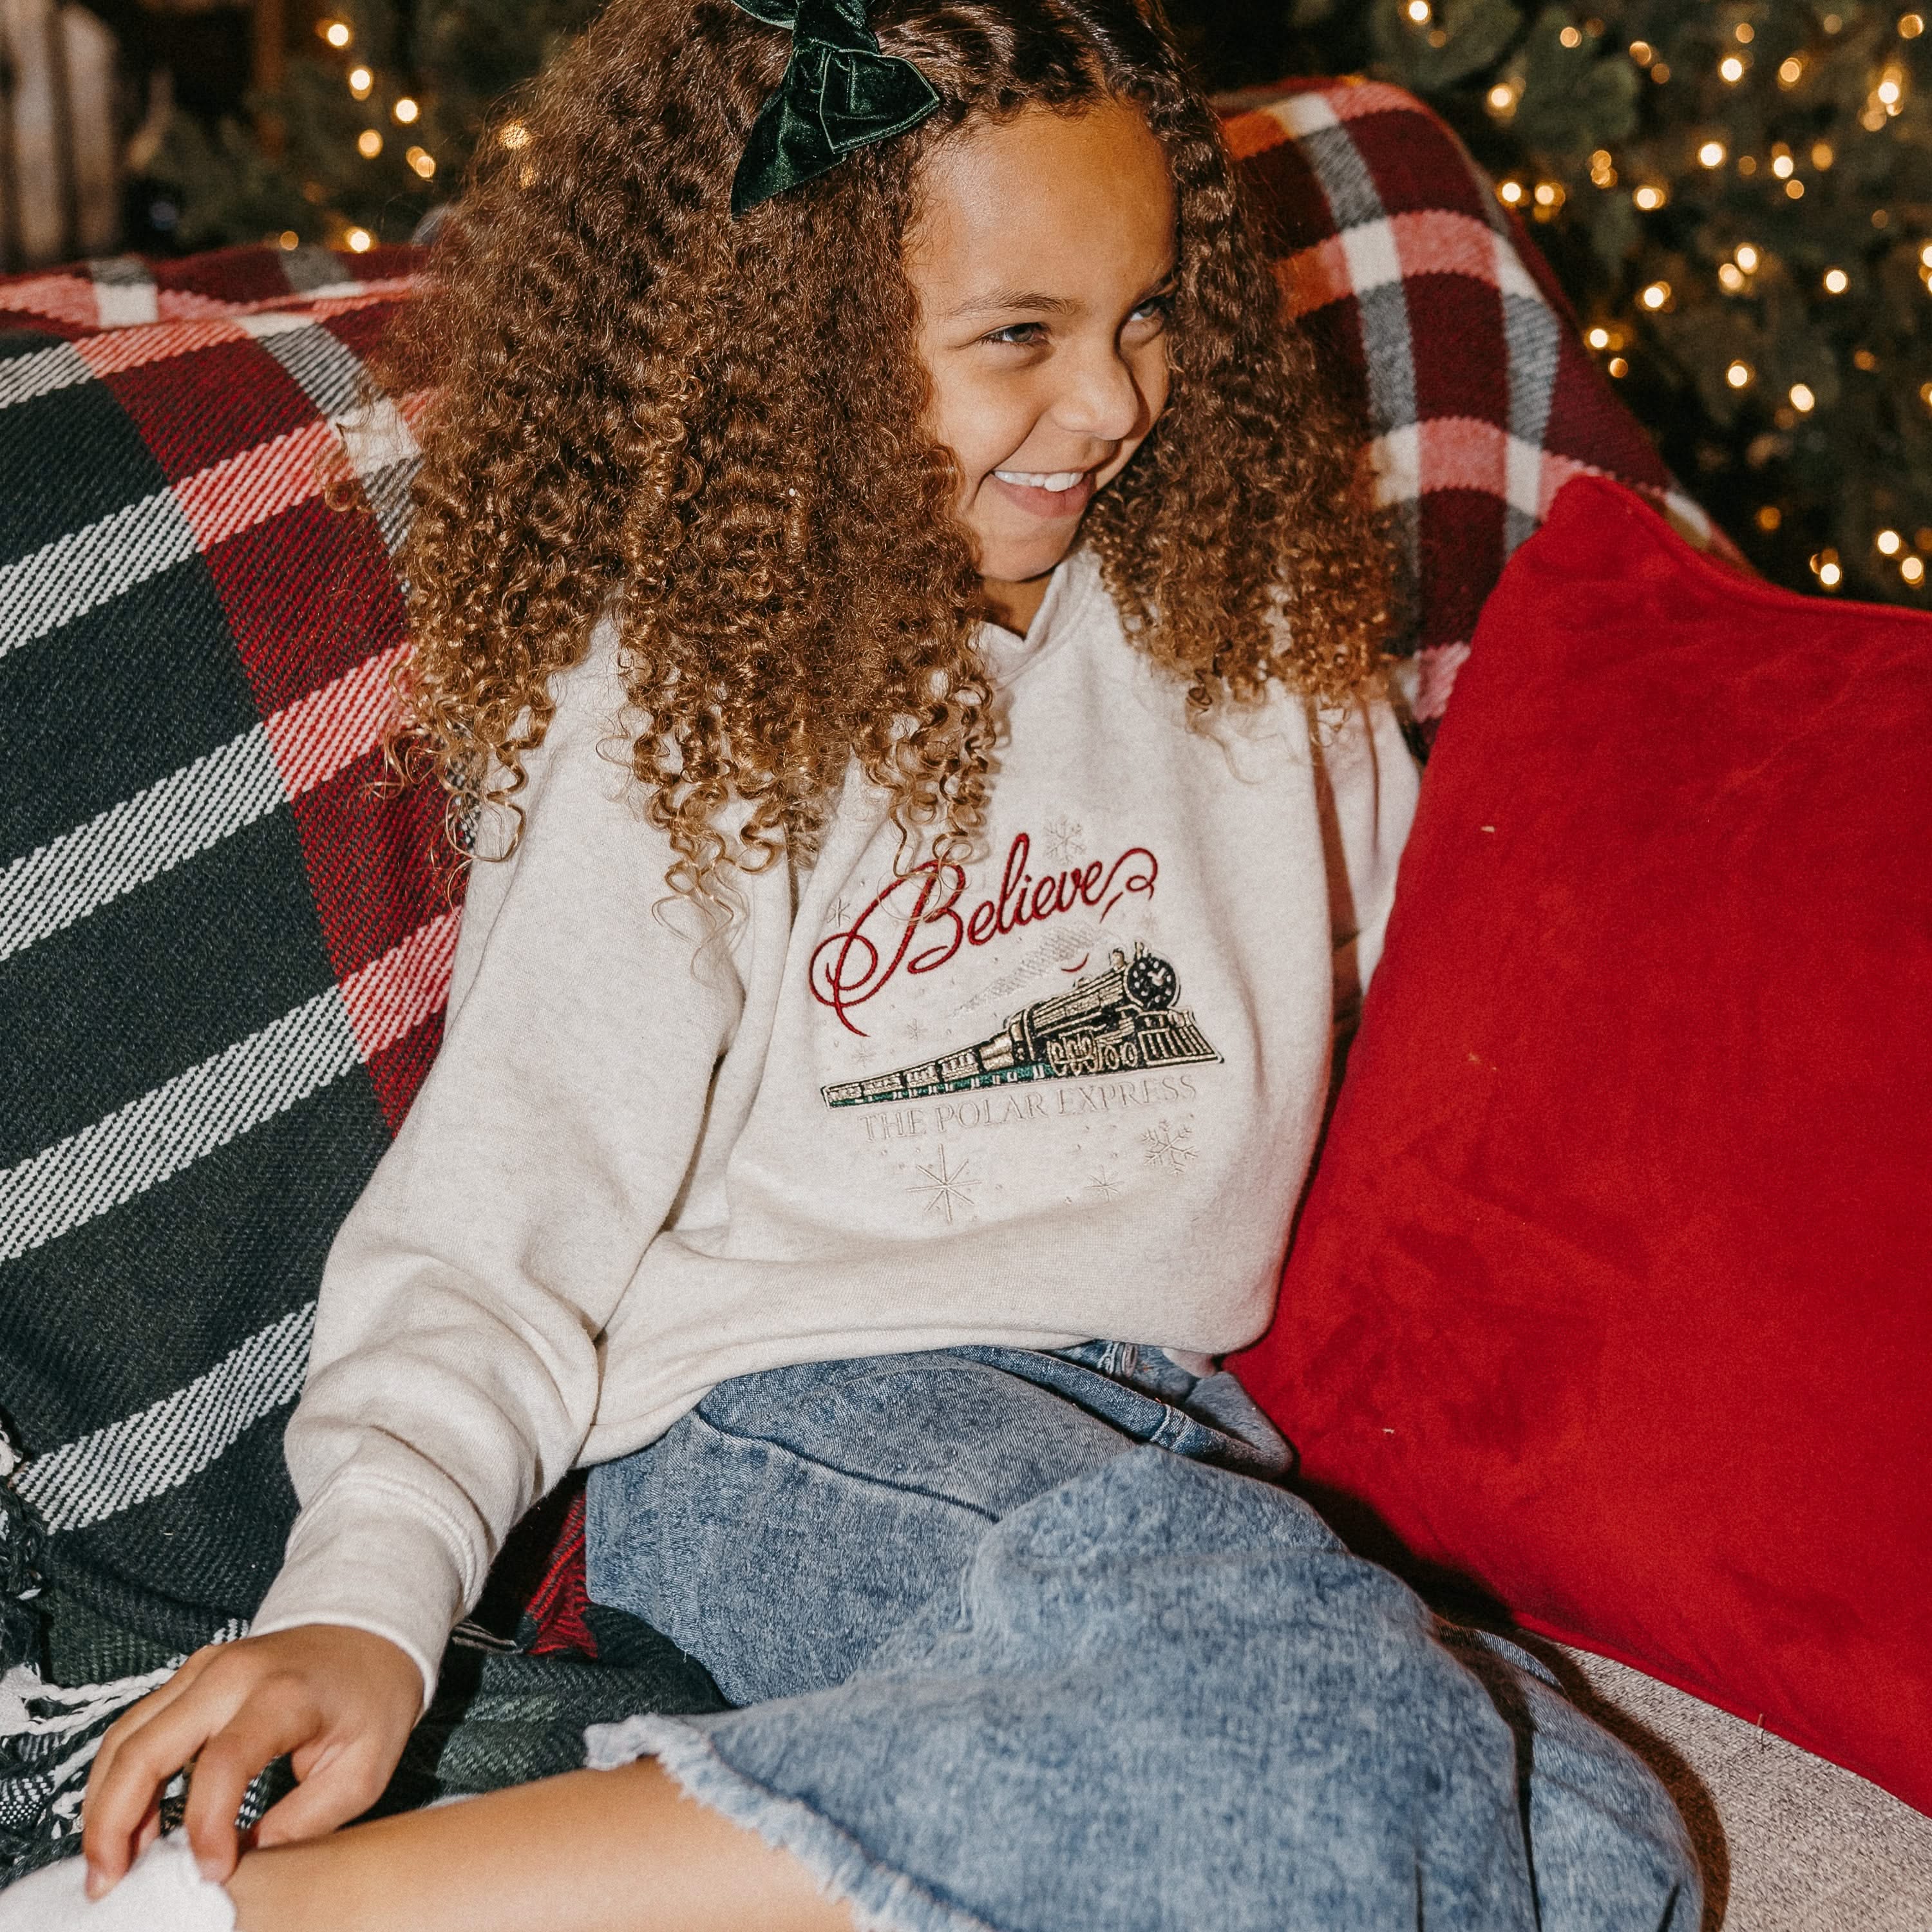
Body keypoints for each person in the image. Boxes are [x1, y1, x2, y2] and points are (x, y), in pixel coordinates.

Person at [5, 1, 1701, 1927]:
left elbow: (1423, 994)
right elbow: (507, 1204)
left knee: (1595, 1847)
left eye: (1147, 313)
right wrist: (370, 1610)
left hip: (1158, 1416)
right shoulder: (698, 688)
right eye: (1019, 338)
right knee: (1306, 1731)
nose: (1116, 402)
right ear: (798, 335)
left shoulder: (1247, 619)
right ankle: (218, 1919)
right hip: (788, 1415)